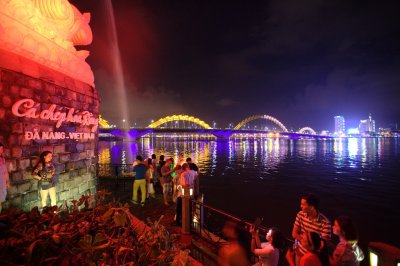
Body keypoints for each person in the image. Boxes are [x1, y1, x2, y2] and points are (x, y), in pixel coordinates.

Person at [291, 194, 331, 265]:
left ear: (311, 207)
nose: (300, 206)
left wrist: (306, 244)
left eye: (303, 204)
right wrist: (308, 243)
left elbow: (323, 245)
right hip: (299, 251)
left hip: (313, 257)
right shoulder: (300, 214)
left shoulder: (325, 223)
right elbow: (294, 233)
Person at [0, 143, 10, 213]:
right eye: (0, 148)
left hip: (2, 182)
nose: (1, 150)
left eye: (2, 148)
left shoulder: (2, 159)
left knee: (0, 201)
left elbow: (5, 172)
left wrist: (7, 181)